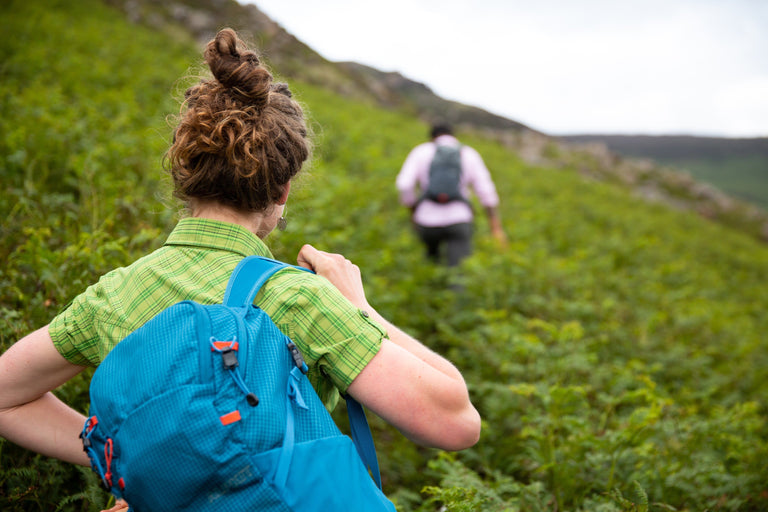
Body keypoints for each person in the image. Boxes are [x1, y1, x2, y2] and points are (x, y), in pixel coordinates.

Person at [0, 29, 480, 510]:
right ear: (283, 189)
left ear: (184, 173)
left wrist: (131, 454)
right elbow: (455, 420)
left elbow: (6, 397)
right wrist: (361, 308)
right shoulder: (297, 299)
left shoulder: (116, 294)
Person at [396, 123, 507, 266]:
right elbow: (486, 191)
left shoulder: (421, 151)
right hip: (459, 219)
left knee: (429, 266)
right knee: (458, 273)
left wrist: (413, 212)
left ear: (432, 138)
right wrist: (496, 228)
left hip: (426, 219)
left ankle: (431, 284)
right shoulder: (469, 153)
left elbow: (404, 184)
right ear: (454, 136)